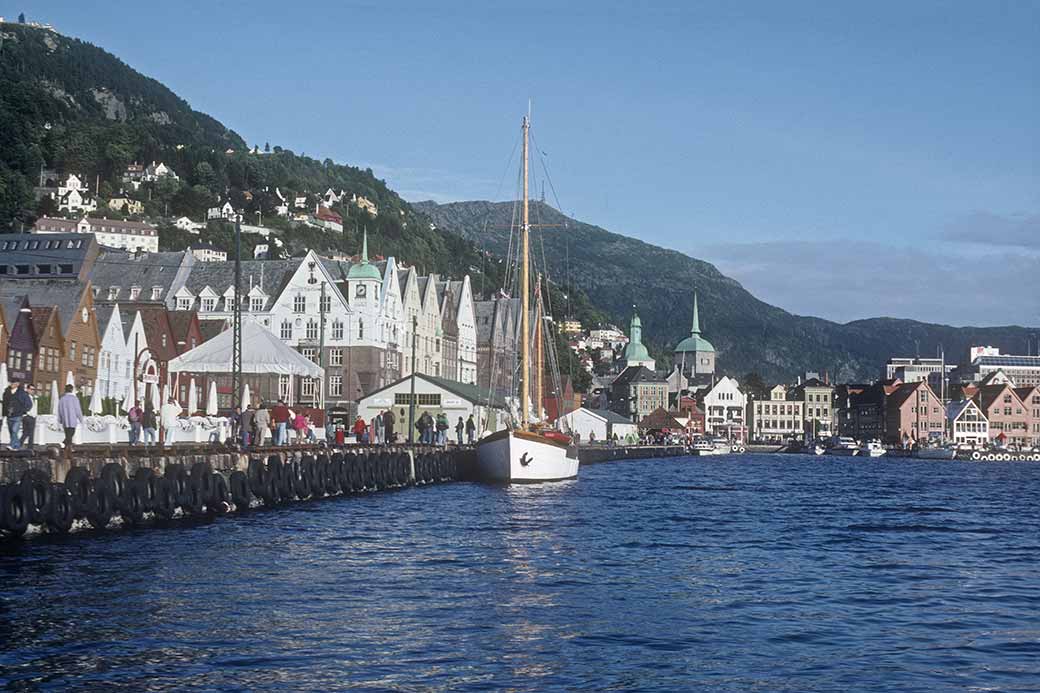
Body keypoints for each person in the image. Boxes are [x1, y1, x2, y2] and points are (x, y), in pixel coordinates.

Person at [57, 384, 83, 459]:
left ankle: (67, 450)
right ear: (71, 390)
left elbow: (60, 410)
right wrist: (81, 418)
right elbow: (78, 410)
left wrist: (60, 419)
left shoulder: (62, 399)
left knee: (68, 434)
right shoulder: (74, 399)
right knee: (70, 434)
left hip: (65, 420)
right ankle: (65, 446)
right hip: (72, 420)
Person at [19, 384, 37, 449]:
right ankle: (30, 448)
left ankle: (19, 443)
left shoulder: (32, 397)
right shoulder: (25, 396)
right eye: (31, 389)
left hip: (31, 416)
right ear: (27, 389)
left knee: (26, 432)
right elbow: (23, 406)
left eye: (34, 389)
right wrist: (26, 412)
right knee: (31, 433)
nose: (33, 391)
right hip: (29, 416)